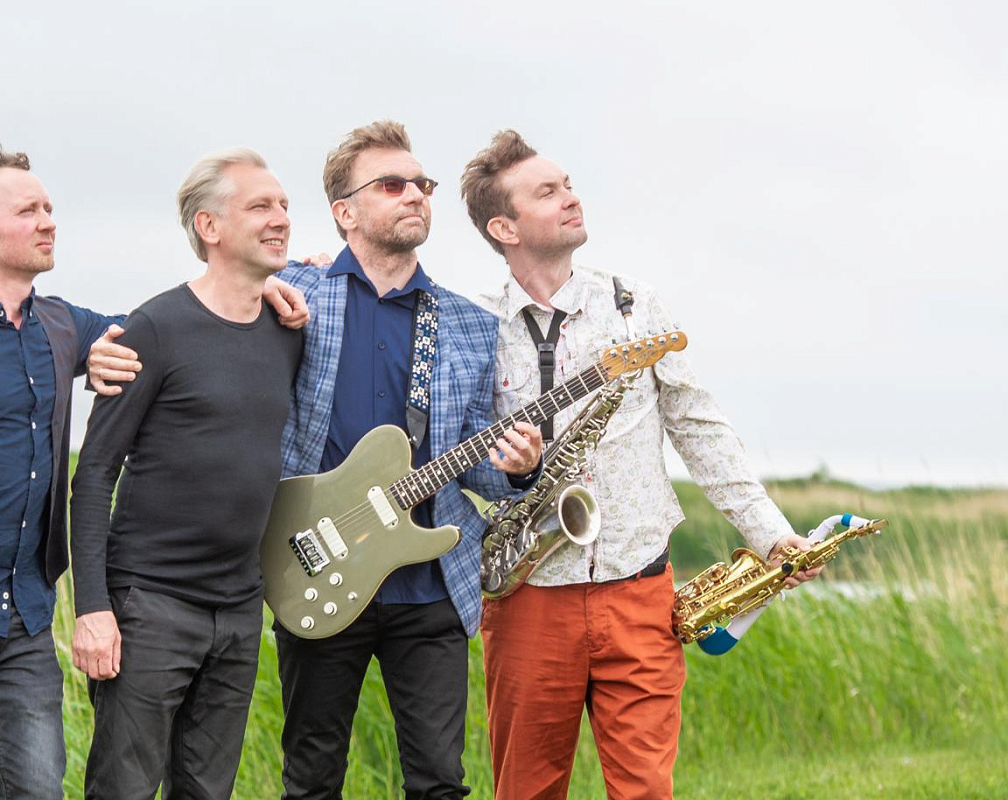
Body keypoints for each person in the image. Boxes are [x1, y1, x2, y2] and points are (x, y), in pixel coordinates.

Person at [0, 144, 304, 800]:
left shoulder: (63, 328)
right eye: (28, 210)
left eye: (50, 207)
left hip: (21, 620)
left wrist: (267, 284)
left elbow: (184, 324)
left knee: (39, 788)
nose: (48, 220)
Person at [459, 130, 825, 800]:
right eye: (548, 192)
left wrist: (771, 534)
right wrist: (511, 464)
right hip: (529, 598)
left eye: (569, 185)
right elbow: (455, 449)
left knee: (647, 792)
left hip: (639, 590)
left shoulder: (636, 306)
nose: (571, 198)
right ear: (504, 228)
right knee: (525, 791)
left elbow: (698, 426)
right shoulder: (473, 325)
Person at [272, 120, 542, 800]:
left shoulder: (470, 324)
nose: (416, 194)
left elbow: (473, 459)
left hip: (429, 583)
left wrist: (516, 469)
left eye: (422, 184)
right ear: (345, 212)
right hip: (317, 563)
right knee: (310, 780)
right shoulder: (292, 292)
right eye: (392, 185)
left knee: (439, 783)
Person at [68, 148, 304, 800]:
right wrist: (93, 608)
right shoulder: (154, 329)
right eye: (261, 206)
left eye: (285, 205)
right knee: (123, 789)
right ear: (210, 225)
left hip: (239, 608)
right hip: (151, 606)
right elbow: (94, 474)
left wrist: (292, 282)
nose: (281, 217)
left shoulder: (286, 329)